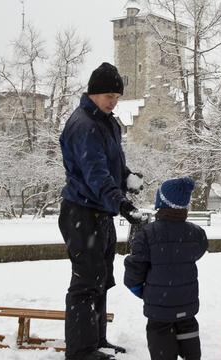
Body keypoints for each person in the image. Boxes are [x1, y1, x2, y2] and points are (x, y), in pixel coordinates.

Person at [58, 62, 145, 360]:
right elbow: (95, 175)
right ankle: (81, 351)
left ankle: (97, 341)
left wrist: (127, 177)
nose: (114, 101)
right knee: (85, 284)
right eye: (109, 95)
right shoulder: (84, 125)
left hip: (99, 213)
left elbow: (112, 166)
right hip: (82, 212)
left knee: (101, 279)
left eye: (117, 97)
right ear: (94, 93)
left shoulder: (106, 121)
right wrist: (121, 203)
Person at [124, 177, 208, 360]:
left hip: (159, 306)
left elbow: (135, 268)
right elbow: (199, 251)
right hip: (187, 299)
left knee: (160, 336)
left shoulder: (147, 233)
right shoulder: (196, 233)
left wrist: (139, 289)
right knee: (188, 330)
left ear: (160, 203)